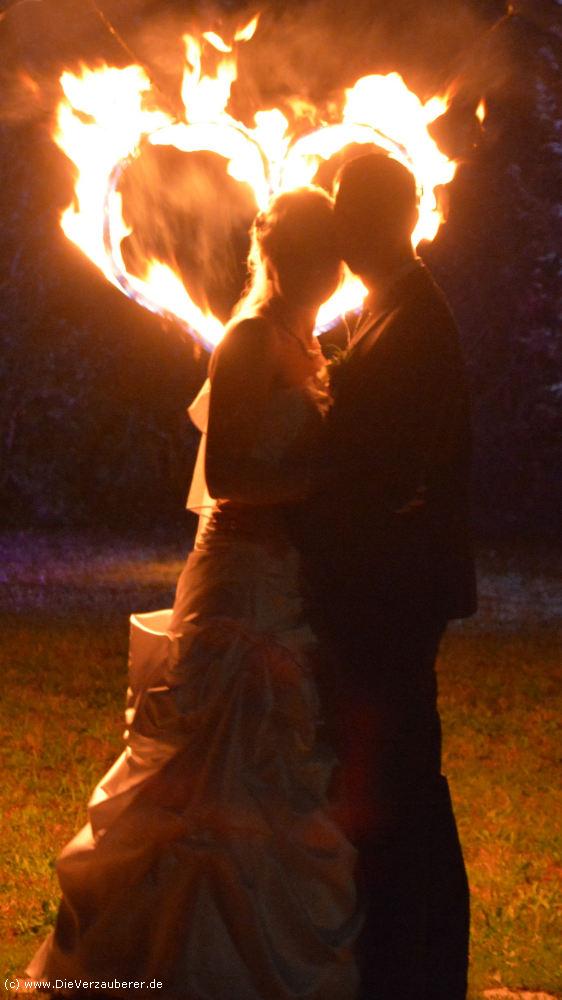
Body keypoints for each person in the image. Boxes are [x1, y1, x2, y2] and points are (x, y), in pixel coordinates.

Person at [26, 187, 360, 998]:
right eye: (314, 251)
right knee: (215, 756)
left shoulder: (306, 340)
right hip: (239, 575)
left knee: (273, 761)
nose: (328, 268)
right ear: (278, 255)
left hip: (284, 578)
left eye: (335, 251)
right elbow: (232, 474)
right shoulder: (248, 339)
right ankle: (169, 964)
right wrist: (331, 481)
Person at [293, 153, 477, 1000]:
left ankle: (420, 966)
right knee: (392, 774)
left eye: (347, 215)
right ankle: (402, 958)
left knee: (401, 779)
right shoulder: (390, 308)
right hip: (382, 584)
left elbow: (375, 468)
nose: (339, 232)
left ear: (385, 220)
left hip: (392, 589)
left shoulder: (415, 323)